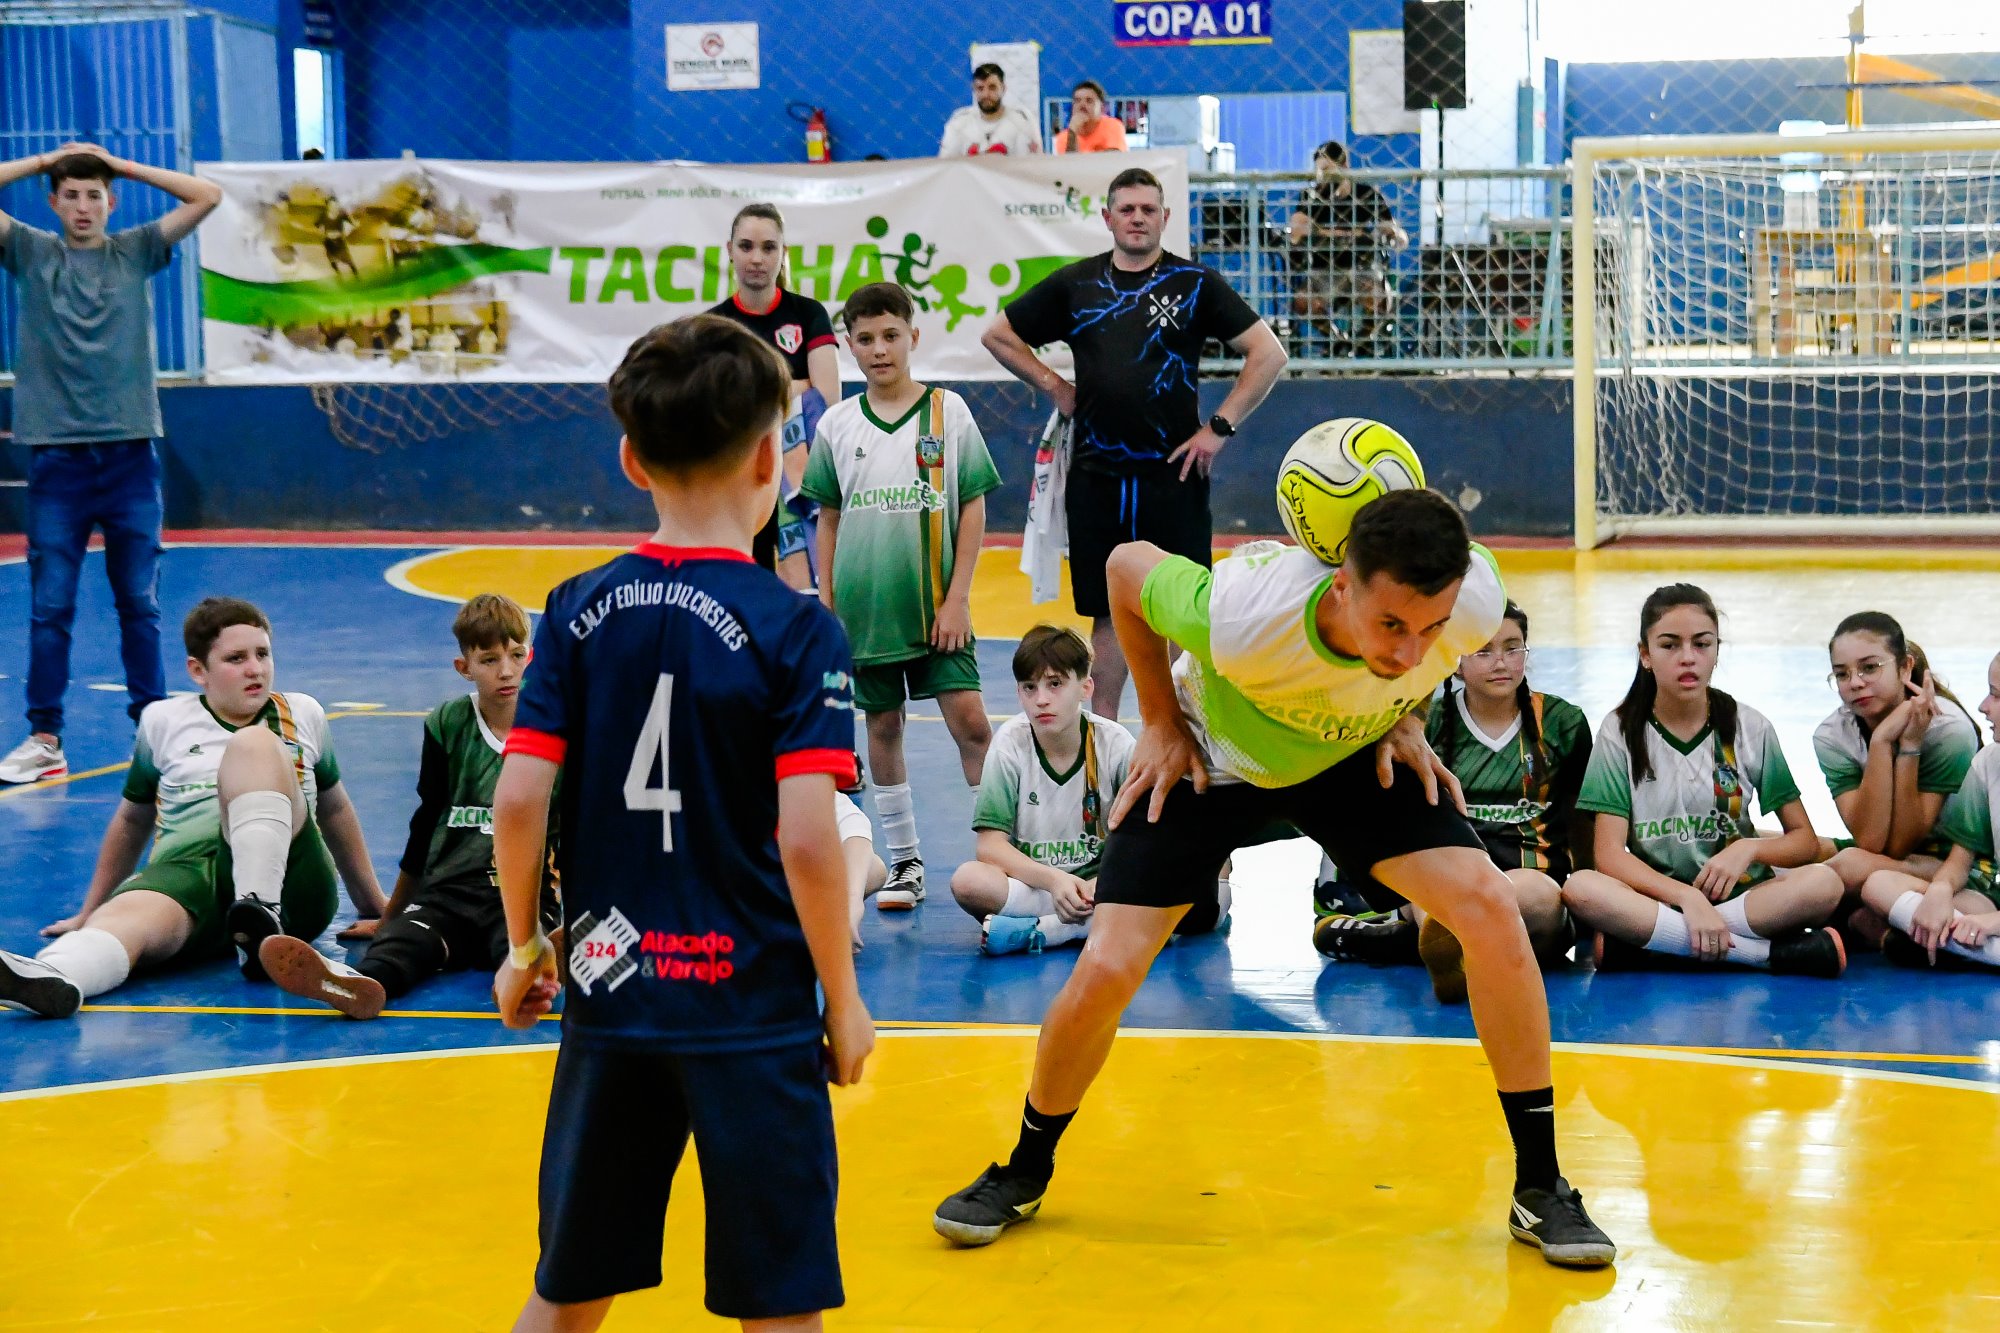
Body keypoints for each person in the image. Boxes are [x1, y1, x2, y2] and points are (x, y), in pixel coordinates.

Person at [931, 490, 1618, 1268]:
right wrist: (1158, 718)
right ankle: (1023, 1168)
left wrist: (1408, 714)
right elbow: (1124, 567)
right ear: (1340, 589)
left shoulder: (1468, 599)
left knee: (1491, 907)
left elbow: (1421, 650)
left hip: (1347, 755)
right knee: (1109, 965)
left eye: (1429, 629)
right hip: (1214, 758)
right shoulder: (1245, 611)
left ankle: (1540, 1183)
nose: (1406, 648)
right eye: (1389, 625)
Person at [488, 314, 871, 1331]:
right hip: (749, 1007)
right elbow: (806, 836)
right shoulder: (795, 626)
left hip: (609, 991)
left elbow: (519, 798)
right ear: (770, 457)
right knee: (778, 1299)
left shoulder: (572, 608)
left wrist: (526, 942)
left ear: (628, 458)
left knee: (569, 1287)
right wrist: (842, 994)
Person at [982, 166, 1287, 717]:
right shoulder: (1077, 285)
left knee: (1182, 610)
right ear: (1108, 218)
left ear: (1165, 218)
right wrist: (1054, 384)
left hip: (1173, 475)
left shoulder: (1195, 284)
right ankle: (1106, 742)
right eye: (1127, 209)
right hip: (1097, 479)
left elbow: (1268, 353)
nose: (1138, 218)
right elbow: (998, 334)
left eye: (1149, 209)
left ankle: (1187, 735)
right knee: (1108, 616)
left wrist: (1218, 429)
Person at [0, 598, 390, 1018]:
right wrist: (90, 909)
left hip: (292, 880)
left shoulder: (301, 712)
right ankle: (56, 976)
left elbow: (334, 811)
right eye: (236, 658)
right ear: (197, 671)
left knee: (253, 744)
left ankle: (260, 915)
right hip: (190, 876)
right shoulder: (163, 721)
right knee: (124, 919)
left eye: (262, 654)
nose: (255, 669)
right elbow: (132, 820)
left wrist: (374, 904)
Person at [0, 143, 222, 785]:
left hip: (129, 459)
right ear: (53, 201)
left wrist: (117, 163)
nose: (82, 206)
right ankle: (45, 737)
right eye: (70, 194)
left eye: (94, 194)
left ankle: (154, 734)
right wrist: (52, 159)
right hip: (58, 465)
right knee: (50, 606)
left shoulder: (136, 251)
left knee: (139, 604)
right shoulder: (32, 252)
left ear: (111, 201)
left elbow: (207, 194)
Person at [256, 594, 556, 1019]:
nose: (506, 670)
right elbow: (425, 823)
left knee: (519, 941)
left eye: (516, 655)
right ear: (464, 668)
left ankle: (527, 978)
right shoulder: (447, 724)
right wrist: (390, 916)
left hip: (519, 893)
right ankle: (360, 986)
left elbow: (578, 827)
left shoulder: (551, 726)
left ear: (532, 656)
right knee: (403, 943)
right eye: (489, 660)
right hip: (446, 894)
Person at [800, 281, 998, 908]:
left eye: (891, 335)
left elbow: (972, 504)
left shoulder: (950, 412)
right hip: (866, 612)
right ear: (850, 346)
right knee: (882, 728)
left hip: (939, 608)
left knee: (971, 724)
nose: (879, 349)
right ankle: (907, 863)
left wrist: (958, 597)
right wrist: (826, 600)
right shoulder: (836, 424)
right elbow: (826, 516)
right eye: (865, 339)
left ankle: (1004, 853)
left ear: (914, 336)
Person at [1561, 585, 1848, 976]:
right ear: (1645, 655)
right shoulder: (1620, 731)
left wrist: (1748, 850)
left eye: (1702, 644)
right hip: (1659, 899)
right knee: (1581, 888)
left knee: (1824, 884)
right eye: (1669, 645)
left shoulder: (1749, 726)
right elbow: (1608, 856)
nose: (1688, 658)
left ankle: (1660, 946)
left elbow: (1804, 841)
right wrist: (1687, 899)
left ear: (1717, 650)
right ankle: (1760, 956)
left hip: (1744, 899)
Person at [1314, 602, 1590, 1001]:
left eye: (1513, 648)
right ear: (1454, 661)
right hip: (1446, 876)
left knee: (1541, 902)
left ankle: (1413, 943)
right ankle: (1438, 945)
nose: (1501, 662)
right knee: (1440, 897)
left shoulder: (1562, 721)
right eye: (1483, 650)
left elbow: (1581, 818)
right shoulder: (1421, 721)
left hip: (1529, 885)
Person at [950, 624, 1234, 956]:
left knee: (1210, 868)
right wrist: (1055, 882)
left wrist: (1102, 885)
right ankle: (1112, 924)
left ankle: (1047, 931)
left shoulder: (1114, 744)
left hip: (1110, 882)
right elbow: (989, 848)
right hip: (1041, 886)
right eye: (1030, 687)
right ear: (1018, 693)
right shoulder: (1009, 746)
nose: (1041, 699)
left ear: (1085, 687)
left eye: (1055, 684)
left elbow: (1150, 837)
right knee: (969, 882)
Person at [1814, 612, 1979, 932]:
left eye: (1869, 667)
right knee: (1794, 846)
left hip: (1955, 867)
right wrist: (1880, 742)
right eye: (1842, 674)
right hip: (1881, 855)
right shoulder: (1832, 735)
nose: (1856, 682)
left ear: (1905, 667)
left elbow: (1899, 844)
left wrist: (1908, 746)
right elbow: (1871, 841)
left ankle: (1789, 912)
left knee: (1846, 868)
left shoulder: (1949, 732)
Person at [708, 201, 840, 591]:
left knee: (807, 591)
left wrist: (749, 385)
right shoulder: (714, 326)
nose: (757, 258)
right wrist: (794, 384)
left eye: (769, 247)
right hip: (740, 474)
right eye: (746, 246)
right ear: (729, 250)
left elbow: (827, 396)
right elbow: (715, 404)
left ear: (784, 254)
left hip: (801, 475)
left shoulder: (808, 314)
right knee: (744, 584)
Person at [1857, 649, 2000, 970]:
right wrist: (1939, 890)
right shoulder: (1989, 763)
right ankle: (1968, 947)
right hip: (1993, 899)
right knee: (1879, 884)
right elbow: (1960, 860)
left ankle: (1961, 946)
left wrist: (1994, 923)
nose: (1983, 707)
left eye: (1996, 696)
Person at [1286, 140, 1404, 354]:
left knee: (1380, 299)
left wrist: (1390, 234)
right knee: (1303, 301)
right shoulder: (1312, 196)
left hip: (1362, 269)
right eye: (1319, 171)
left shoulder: (1365, 194)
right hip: (1325, 271)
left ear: (1343, 167)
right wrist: (1347, 233)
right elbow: (1296, 231)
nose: (1323, 177)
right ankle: (1337, 340)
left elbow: (1393, 230)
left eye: (1327, 170)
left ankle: (1361, 342)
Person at [939, 63, 1041, 157]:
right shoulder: (959, 121)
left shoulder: (1022, 120)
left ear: (1003, 88)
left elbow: (1031, 167)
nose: (986, 94)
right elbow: (947, 166)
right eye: (980, 88)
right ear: (974, 90)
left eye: (992, 87)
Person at [1052, 80, 1128, 154]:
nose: (1082, 105)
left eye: (1089, 100)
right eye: (1077, 101)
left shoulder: (1113, 126)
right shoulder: (1064, 137)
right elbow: (1068, 164)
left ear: (1102, 107)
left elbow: (1113, 158)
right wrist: (1072, 133)